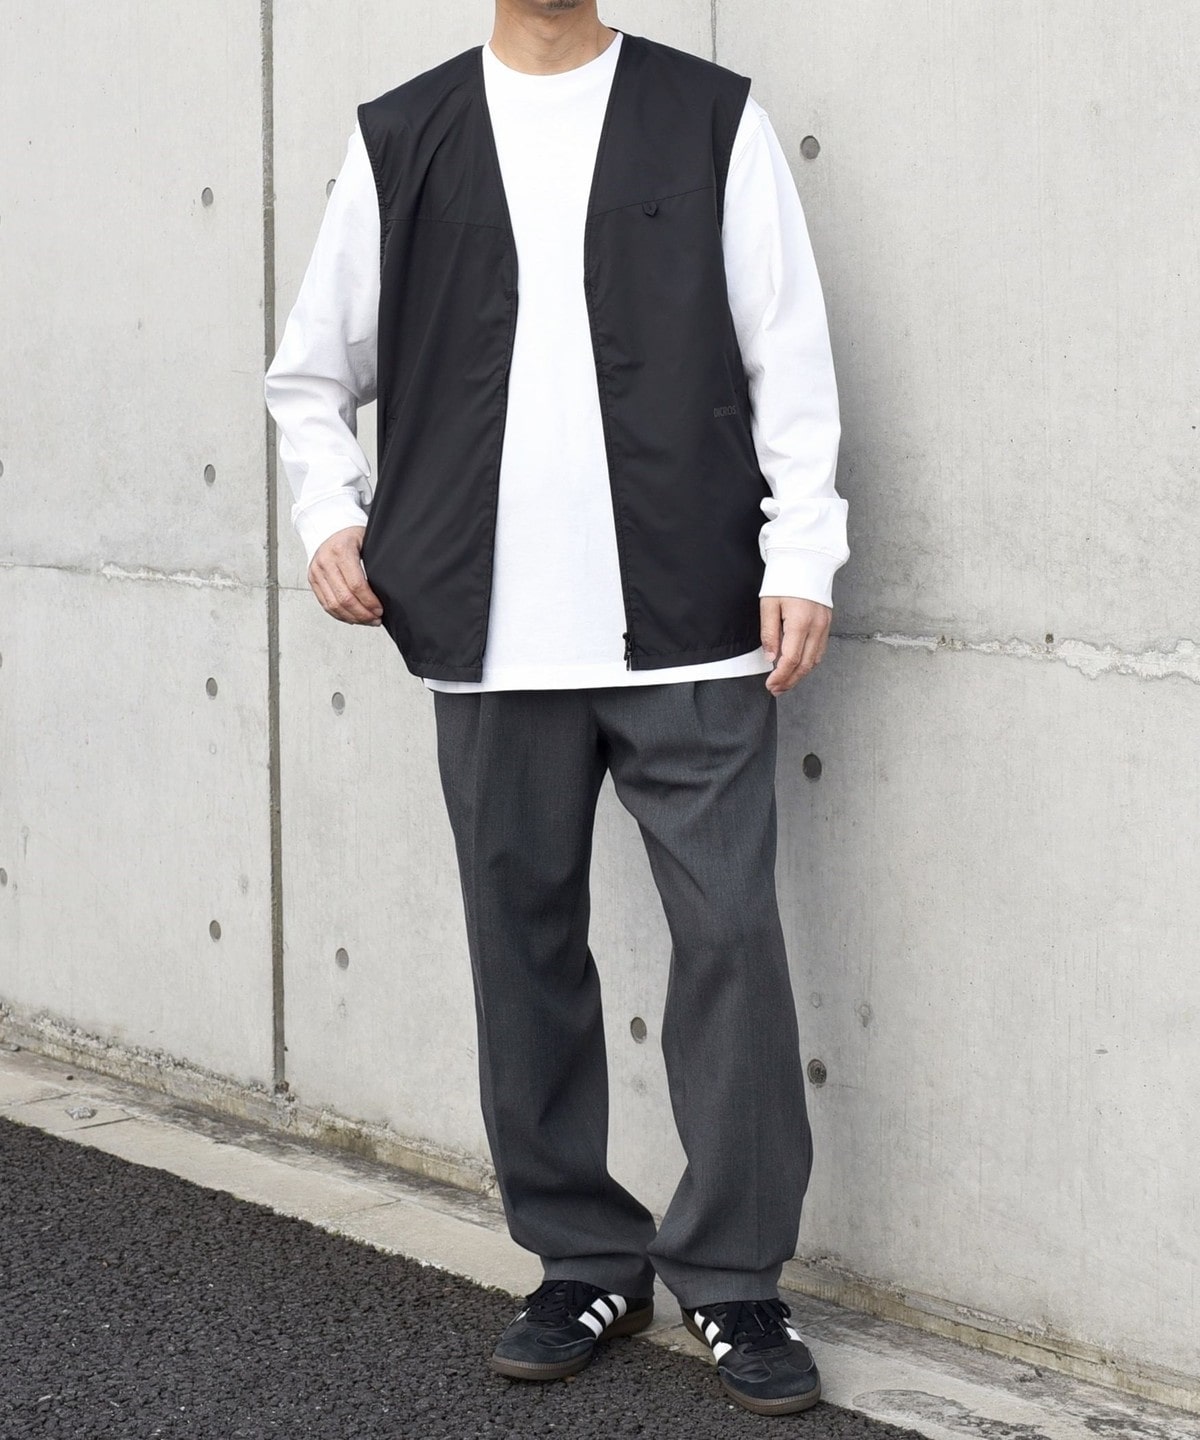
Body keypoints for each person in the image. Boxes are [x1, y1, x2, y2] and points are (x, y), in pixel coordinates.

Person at [264, 0, 847, 1417]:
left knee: (730, 937)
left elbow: (788, 352)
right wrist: (329, 516)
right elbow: (311, 375)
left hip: (693, 618)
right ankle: (582, 1256)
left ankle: (735, 1276)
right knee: (520, 947)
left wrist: (802, 553)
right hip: (483, 633)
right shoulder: (402, 135)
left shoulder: (709, 119)